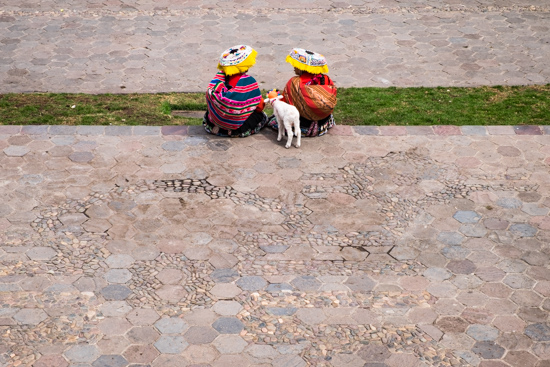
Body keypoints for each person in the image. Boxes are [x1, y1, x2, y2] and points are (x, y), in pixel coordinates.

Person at [268, 48, 337, 137]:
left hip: (303, 125)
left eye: (296, 65)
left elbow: (286, 104)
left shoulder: (294, 83)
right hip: (323, 123)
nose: (294, 67)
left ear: (302, 68)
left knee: (275, 119)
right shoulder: (325, 79)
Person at [204, 45, 267, 137]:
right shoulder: (248, 82)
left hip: (215, 121)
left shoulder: (219, 77)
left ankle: (219, 127)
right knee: (260, 116)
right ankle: (232, 131)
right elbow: (259, 107)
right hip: (237, 126)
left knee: (211, 111)